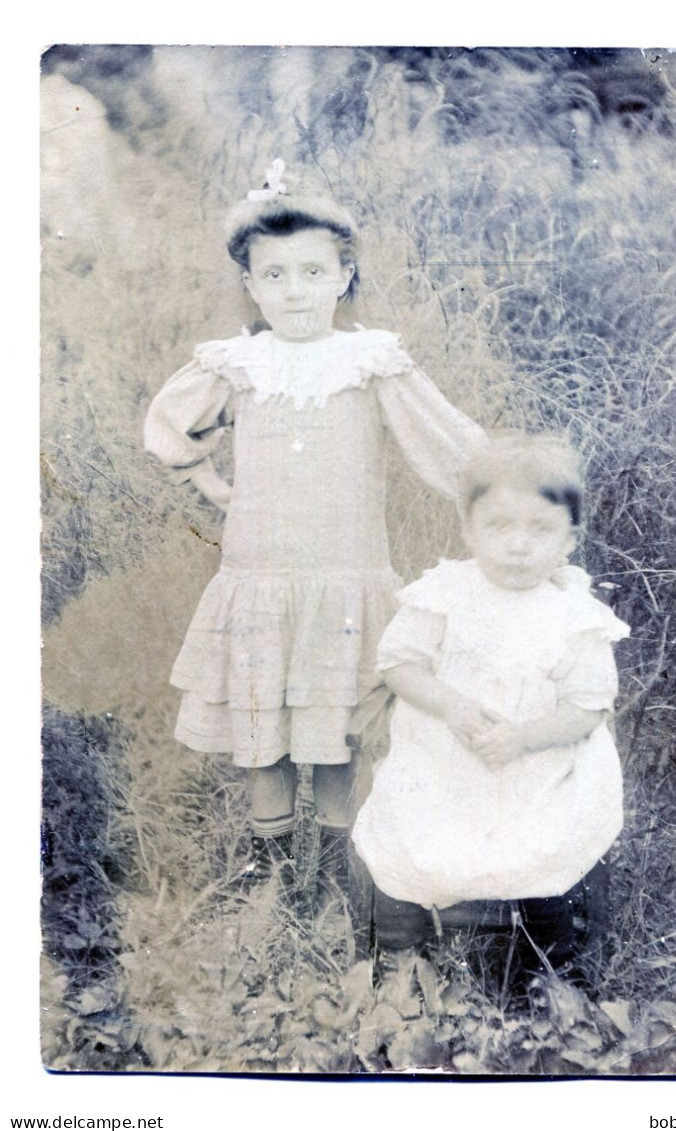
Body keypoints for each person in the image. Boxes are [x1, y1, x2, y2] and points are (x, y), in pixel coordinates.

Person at [143, 160, 488, 910]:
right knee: (262, 725)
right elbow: (168, 426)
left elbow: (447, 445)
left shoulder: (369, 362)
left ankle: (332, 864)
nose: (293, 290)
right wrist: (213, 485)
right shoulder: (239, 363)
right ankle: (272, 873)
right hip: (260, 572)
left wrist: (505, 492)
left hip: (346, 572)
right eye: (273, 275)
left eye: (310, 271)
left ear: (342, 274)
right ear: (251, 284)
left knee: (335, 728)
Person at [352, 433, 630, 986]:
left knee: (542, 850)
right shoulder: (444, 594)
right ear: (468, 528)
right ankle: (401, 956)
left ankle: (546, 965)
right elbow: (399, 664)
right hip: (443, 759)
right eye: (499, 527)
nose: (518, 546)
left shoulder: (574, 615)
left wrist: (524, 737)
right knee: (410, 839)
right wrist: (452, 707)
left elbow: (585, 707)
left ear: (570, 538)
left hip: (533, 766)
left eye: (539, 529)